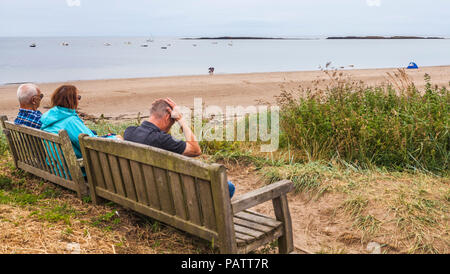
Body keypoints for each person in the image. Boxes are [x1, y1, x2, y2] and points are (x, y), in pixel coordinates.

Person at [124, 98, 236, 198]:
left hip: (140, 191)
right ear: (168, 116)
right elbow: (196, 150)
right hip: (166, 195)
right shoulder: (161, 139)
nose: (170, 128)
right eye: (172, 123)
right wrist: (181, 120)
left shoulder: (129, 132)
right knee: (228, 186)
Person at [40, 85, 123, 159]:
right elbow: (91, 144)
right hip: (73, 170)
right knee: (119, 139)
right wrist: (115, 138)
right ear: (71, 100)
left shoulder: (48, 119)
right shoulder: (70, 121)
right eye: (78, 97)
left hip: (57, 167)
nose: (78, 100)